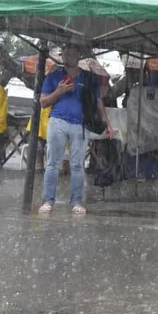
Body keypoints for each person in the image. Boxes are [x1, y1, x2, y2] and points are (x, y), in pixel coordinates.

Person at [38, 44, 113, 215]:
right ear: (62, 56)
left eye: (73, 53)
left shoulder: (89, 78)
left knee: (77, 165)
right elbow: (43, 103)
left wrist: (108, 124)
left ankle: (76, 201)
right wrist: (59, 91)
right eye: (66, 53)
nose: (69, 56)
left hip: (80, 125)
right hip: (57, 122)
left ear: (79, 55)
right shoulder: (53, 76)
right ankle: (48, 201)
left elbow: (98, 103)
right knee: (52, 164)